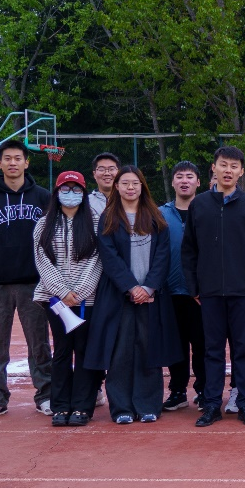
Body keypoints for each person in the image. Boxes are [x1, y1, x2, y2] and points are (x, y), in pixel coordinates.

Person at [85, 166, 179, 424]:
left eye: (135, 183)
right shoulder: (108, 218)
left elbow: (163, 256)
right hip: (119, 296)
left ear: (142, 186)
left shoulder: (155, 216)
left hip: (151, 297)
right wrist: (130, 287)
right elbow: (109, 257)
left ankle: (148, 405)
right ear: (116, 187)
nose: (130, 187)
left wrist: (148, 288)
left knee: (149, 349)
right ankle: (122, 408)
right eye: (125, 183)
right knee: (120, 351)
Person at [0, 139, 53, 419]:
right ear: (0, 163)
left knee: (39, 342)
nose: (13, 163)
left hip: (35, 282)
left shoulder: (42, 196)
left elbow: (51, 235)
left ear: (26, 162)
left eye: (18, 158)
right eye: (8, 158)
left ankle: (46, 394)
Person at [182, 146, 245, 427]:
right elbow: (189, 250)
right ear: (214, 168)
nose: (228, 170)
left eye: (234, 166)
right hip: (209, 293)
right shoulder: (200, 204)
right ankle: (211, 405)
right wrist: (194, 286)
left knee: (243, 351)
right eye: (223, 165)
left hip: (243, 292)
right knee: (212, 351)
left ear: (241, 172)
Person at [33, 171, 103, 427]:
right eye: (65, 188)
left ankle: (83, 406)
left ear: (84, 193)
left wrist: (81, 291)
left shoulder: (96, 222)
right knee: (62, 350)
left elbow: (98, 259)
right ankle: (60, 405)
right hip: (55, 300)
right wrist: (62, 291)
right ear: (57, 192)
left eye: (76, 189)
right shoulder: (44, 223)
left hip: (88, 300)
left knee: (84, 350)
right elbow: (42, 260)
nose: (70, 193)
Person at [160, 161, 206, 412]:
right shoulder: (160, 213)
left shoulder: (208, 210)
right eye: (179, 176)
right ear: (173, 182)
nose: (184, 181)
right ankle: (177, 391)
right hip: (170, 292)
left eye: (190, 176)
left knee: (202, 345)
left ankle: (204, 390)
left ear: (198, 182)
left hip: (201, 293)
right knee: (175, 346)